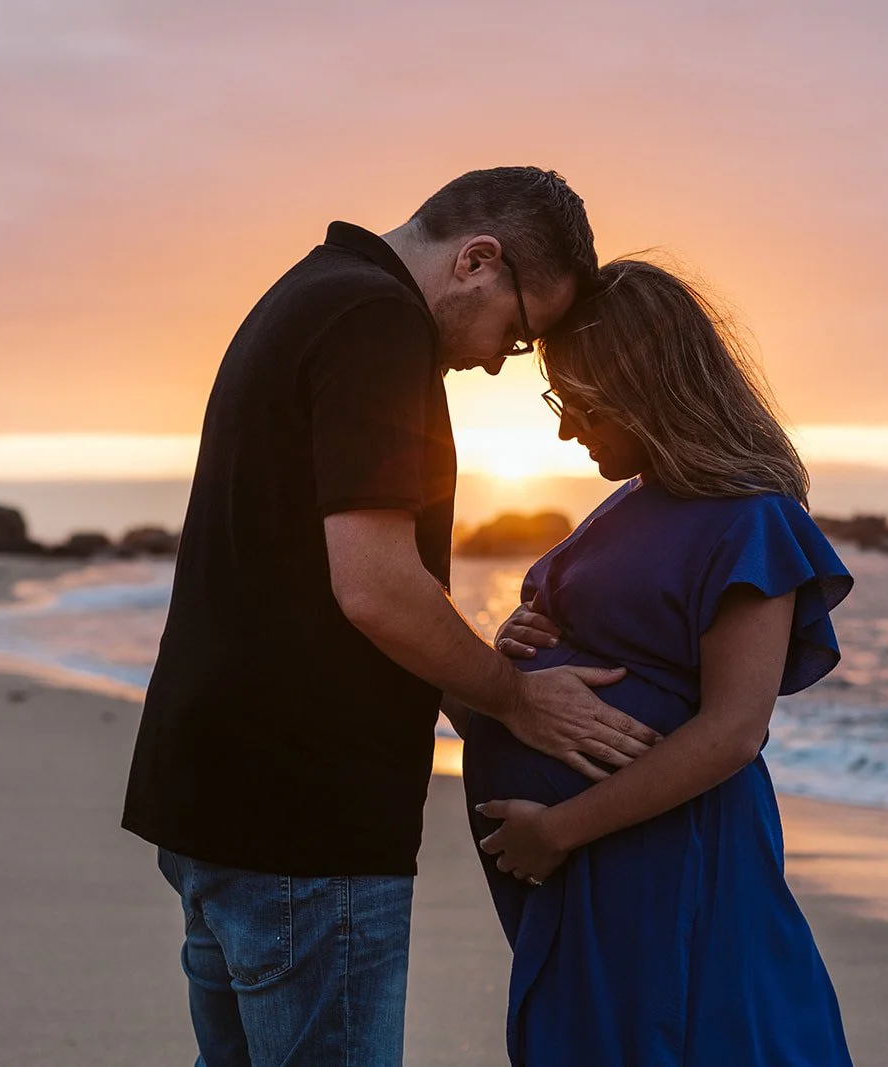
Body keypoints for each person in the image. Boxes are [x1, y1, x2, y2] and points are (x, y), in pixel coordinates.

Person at [121, 167, 661, 1067]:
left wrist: (472, 678)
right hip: (305, 824)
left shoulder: (307, 293)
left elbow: (310, 576)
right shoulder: (378, 325)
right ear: (476, 261)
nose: (497, 360)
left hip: (214, 800)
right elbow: (374, 585)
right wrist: (515, 701)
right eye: (518, 334)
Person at [457, 259, 856, 1065]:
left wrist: (560, 826)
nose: (568, 429)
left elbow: (734, 731)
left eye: (583, 404)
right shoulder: (627, 503)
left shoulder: (750, 519)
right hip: (603, 861)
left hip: (671, 856)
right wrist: (511, 662)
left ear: (650, 391)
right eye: (559, 400)